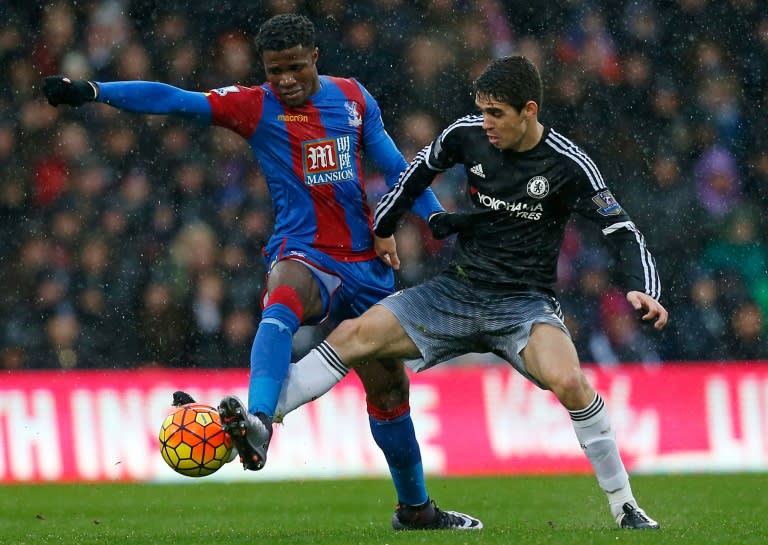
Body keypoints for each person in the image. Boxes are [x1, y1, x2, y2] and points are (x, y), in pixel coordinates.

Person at [42, 13, 480, 531]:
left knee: (389, 392)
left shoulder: (354, 99)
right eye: (275, 71)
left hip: (366, 265)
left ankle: (416, 510)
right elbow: (172, 99)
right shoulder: (255, 105)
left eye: (295, 67)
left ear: (315, 57)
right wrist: (94, 90)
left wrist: (434, 218)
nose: (286, 80)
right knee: (284, 293)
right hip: (306, 252)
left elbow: (395, 167)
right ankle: (257, 422)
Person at [270, 55, 668, 530]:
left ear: (529, 110)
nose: (487, 123)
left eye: (497, 113)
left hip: (525, 304)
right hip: (457, 291)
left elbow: (621, 228)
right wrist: (385, 226)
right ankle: (261, 416)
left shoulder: (567, 163)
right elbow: (415, 173)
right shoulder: (466, 134)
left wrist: (646, 289)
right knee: (354, 335)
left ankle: (625, 505)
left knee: (570, 383)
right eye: (483, 111)